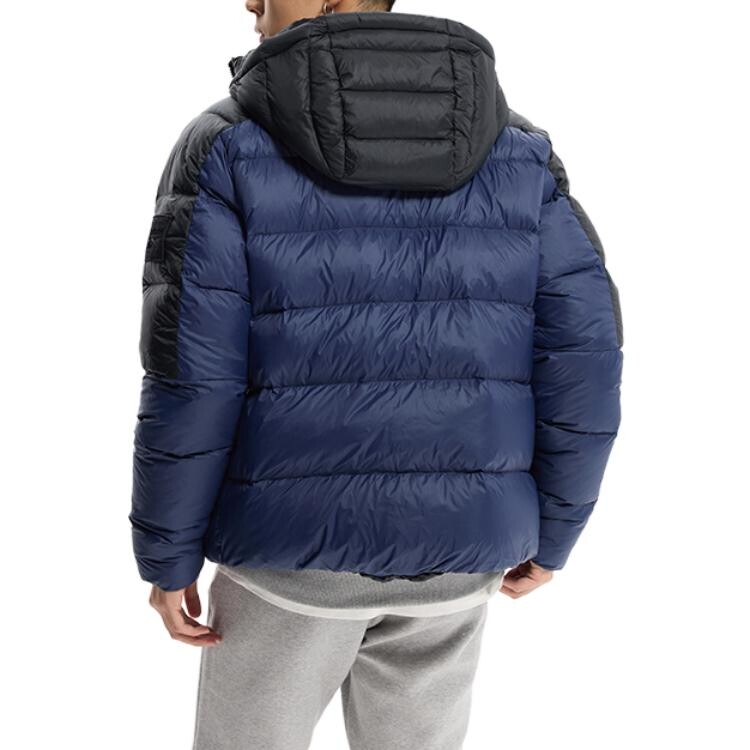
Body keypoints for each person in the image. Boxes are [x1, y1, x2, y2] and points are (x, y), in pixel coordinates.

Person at [129, 1, 624, 747]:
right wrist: (555, 529)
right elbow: (585, 354)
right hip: (460, 551)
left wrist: (167, 555)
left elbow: (191, 371)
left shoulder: (227, 145)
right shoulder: (517, 149)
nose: (250, 2)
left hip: (286, 556)